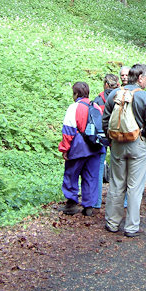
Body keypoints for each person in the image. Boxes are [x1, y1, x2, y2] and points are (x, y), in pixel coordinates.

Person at [102, 63, 146, 237]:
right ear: (140, 78)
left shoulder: (114, 94)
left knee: (116, 183)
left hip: (118, 144)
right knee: (134, 187)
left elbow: (105, 120)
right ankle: (131, 227)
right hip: (139, 145)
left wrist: (111, 141)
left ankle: (112, 223)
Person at [58, 82, 104, 216]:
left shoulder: (74, 107)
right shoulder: (95, 106)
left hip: (78, 147)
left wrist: (65, 149)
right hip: (95, 146)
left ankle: (71, 204)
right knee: (91, 176)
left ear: (76, 94)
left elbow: (68, 131)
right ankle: (88, 206)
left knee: (71, 175)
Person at [92, 74, 120, 211]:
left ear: (106, 85)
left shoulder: (98, 100)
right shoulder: (120, 97)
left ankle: (97, 201)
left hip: (102, 137)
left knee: (98, 169)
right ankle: (121, 202)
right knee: (120, 170)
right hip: (117, 136)